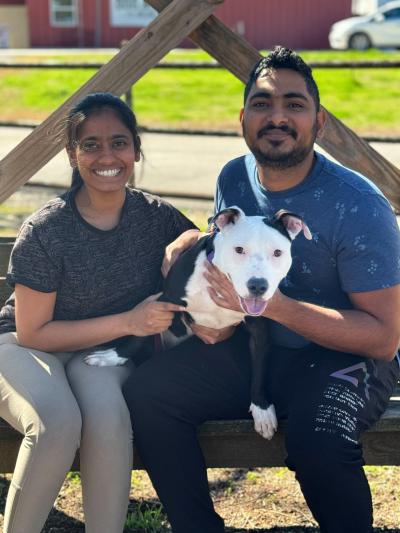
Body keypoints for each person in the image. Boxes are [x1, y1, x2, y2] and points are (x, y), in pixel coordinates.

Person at [122, 46, 400, 533]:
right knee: (149, 394)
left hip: (344, 356)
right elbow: (223, 248)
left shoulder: (358, 206)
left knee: (320, 439)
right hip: (258, 349)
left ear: (320, 123)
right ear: (242, 119)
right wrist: (195, 242)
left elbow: (384, 339)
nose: (277, 117)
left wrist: (276, 307)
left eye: (294, 105)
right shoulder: (233, 176)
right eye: (262, 103)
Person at [0, 92, 197, 533]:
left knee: (108, 417)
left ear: (136, 149)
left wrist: (189, 239)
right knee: (57, 423)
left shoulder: (156, 217)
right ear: (72, 155)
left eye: (119, 142)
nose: (106, 155)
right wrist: (130, 322)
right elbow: (34, 333)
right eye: (90, 144)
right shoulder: (47, 230)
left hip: (103, 354)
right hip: (24, 346)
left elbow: (203, 239)